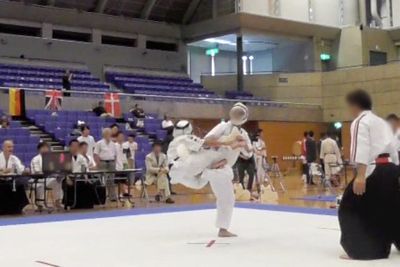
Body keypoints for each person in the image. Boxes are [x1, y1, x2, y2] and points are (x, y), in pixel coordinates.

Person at [168, 103, 249, 237]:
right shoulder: (187, 138)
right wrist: (228, 142)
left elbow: (248, 153)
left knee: (224, 195)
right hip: (190, 165)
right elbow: (206, 141)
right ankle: (209, 170)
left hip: (198, 170)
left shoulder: (243, 134)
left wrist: (241, 145)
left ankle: (223, 228)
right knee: (223, 170)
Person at [339, 89, 400, 260]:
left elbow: (362, 147)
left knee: (349, 207)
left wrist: (360, 176)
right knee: (390, 206)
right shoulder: (381, 122)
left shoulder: (361, 121)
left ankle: (361, 249)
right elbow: (393, 146)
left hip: (374, 169)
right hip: (390, 168)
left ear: (354, 106)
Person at [30, 142, 63, 210]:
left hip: (48, 179)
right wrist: (48, 171)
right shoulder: (35, 159)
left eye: (47, 148)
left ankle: (57, 202)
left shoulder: (52, 159)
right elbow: (37, 171)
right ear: (39, 149)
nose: (46, 149)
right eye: (44, 148)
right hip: (37, 179)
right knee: (41, 184)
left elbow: (56, 169)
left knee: (57, 181)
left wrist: (57, 174)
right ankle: (40, 205)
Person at [0, 140, 29, 215]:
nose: (11, 149)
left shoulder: (14, 158)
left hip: (10, 180)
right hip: (0, 181)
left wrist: (25, 170)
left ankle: (18, 209)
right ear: (3, 148)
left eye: (12, 147)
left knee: (20, 186)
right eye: (9, 147)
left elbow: (21, 169)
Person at [94, 128, 118, 201]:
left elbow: (115, 155)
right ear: (104, 135)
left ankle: (112, 197)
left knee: (111, 180)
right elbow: (96, 154)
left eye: (109, 134)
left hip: (111, 162)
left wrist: (114, 162)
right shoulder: (99, 143)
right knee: (102, 180)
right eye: (107, 134)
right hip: (102, 162)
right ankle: (102, 197)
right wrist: (98, 163)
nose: (108, 135)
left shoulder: (113, 144)